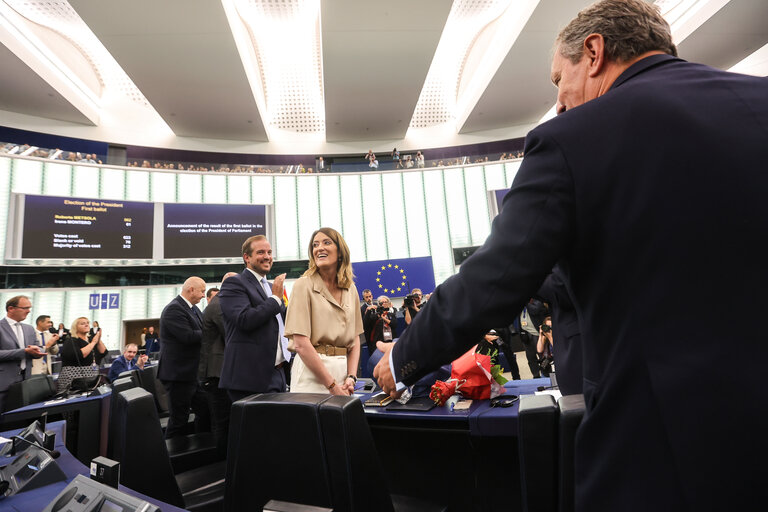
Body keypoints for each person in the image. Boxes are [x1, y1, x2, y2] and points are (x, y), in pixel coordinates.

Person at [375, 1, 768, 509]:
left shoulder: (571, 139)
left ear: (594, 51)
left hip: (664, 453)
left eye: (559, 79)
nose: (559, 102)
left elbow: (491, 282)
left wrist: (403, 358)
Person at [284, 227, 363, 395]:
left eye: (327, 242)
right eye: (315, 245)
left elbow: (355, 338)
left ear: (340, 252)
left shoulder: (351, 289)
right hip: (310, 376)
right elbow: (300, 344)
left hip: (343, 374)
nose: (319, 248)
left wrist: (351, 377)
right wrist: (333, 387)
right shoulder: (302, 285)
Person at [218, 236, 290, 401]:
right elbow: (244, 319)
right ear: (247, 257)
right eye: (261, 252)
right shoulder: (234, 283)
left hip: (278, 373)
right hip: (249, 379)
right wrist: (275, 300)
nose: (267, 256)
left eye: (269, 252)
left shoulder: (272, 288)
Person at [158, 276, 210, 439]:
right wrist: (212, 332)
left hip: (192, 375)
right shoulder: (174, 309)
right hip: (178, 376)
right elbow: (187, 336)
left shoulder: (194, 309)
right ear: (191, 290)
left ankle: (202, 446)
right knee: (179, 420)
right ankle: (169, 458)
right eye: (202, 291)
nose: (204, 295)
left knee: (206, 411)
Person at [199, 271, 237, 456]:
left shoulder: (220, 302)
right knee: (223, 423)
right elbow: (233, 334)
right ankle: (223, 468)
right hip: (216, 375)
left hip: (219, 374)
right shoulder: (220, 304)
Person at [0, 296, 44, 412]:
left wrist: (38, 352)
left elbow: (38, 347)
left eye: (29, 308)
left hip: (26, 381)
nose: (29, 311)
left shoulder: (29, 329)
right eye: (25, 308)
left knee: (21, 418)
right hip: (3, 383)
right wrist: (24, 351)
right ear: (11, 309)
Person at [58, 317, 108, 392]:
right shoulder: (71, 341)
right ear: (75, 327)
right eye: (83, 323)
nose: (86, 325)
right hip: (73, 380)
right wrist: (93, 342)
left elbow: (103, 352)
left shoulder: (90, 339)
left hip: (91, 379)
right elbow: (80, 355)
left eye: (88, 323)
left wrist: (98, 339)